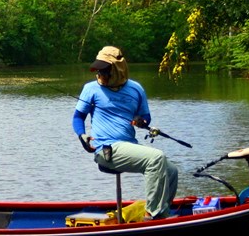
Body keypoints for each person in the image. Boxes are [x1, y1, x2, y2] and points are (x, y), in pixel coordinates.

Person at [71, 46, 179, 220]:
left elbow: (146, 117)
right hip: (106, 149)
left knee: (171, 170)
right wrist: (82, 136)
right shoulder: (91, 89)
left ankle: (162, 212)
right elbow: (78, 117)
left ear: (117, 70)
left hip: (129, 145)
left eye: (104, 71)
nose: (100, 75)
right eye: (98, 71)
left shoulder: (135, 89)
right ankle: (152, 215)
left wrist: (141, 121)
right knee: (156, 157)